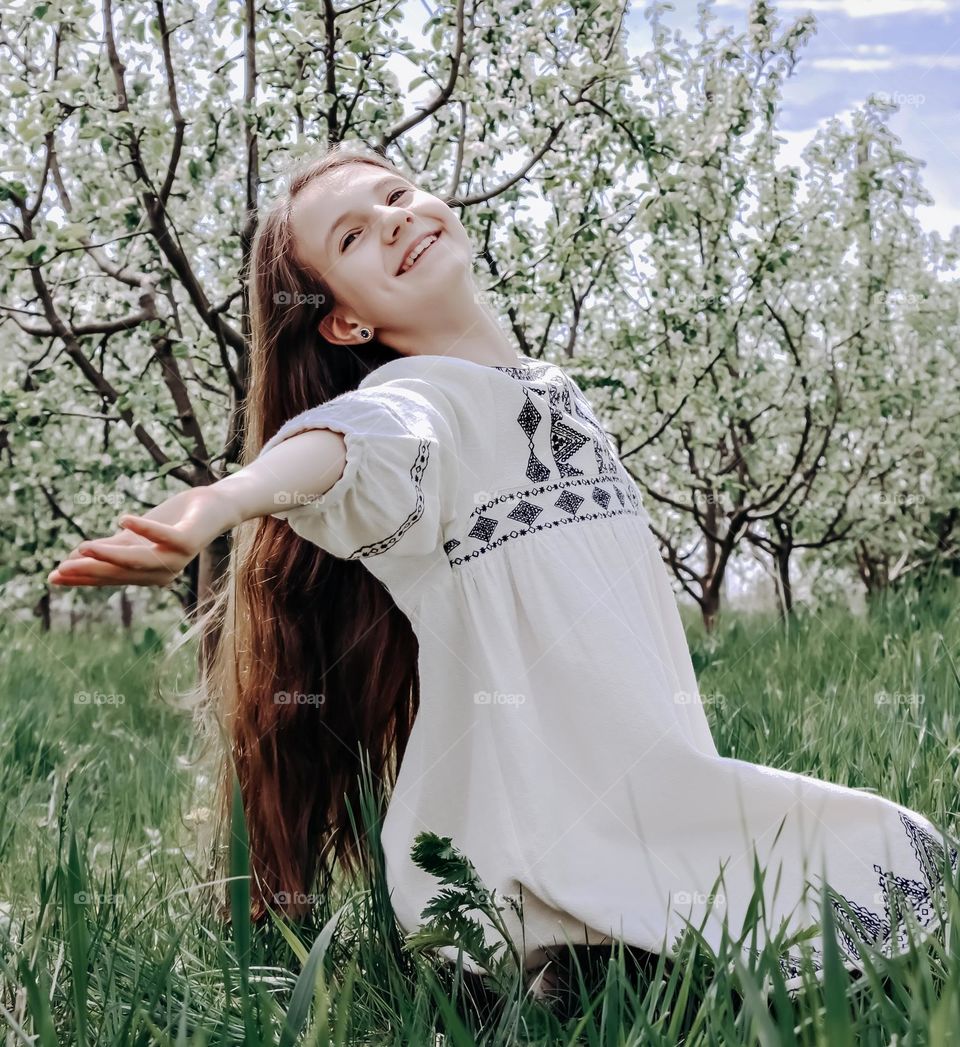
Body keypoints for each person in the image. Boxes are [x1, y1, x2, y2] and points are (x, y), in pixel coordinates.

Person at [48, 142, 958, 995]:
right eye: (354, 236)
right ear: (347, 319)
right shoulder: (413, 402)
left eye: (397, 194)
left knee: (896, 849)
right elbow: (347, 447)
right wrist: (223, 501)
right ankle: (541, 953)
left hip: (649, 787)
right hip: (528, 838)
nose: (395, 219)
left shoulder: (554, 393)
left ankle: (605, 942)